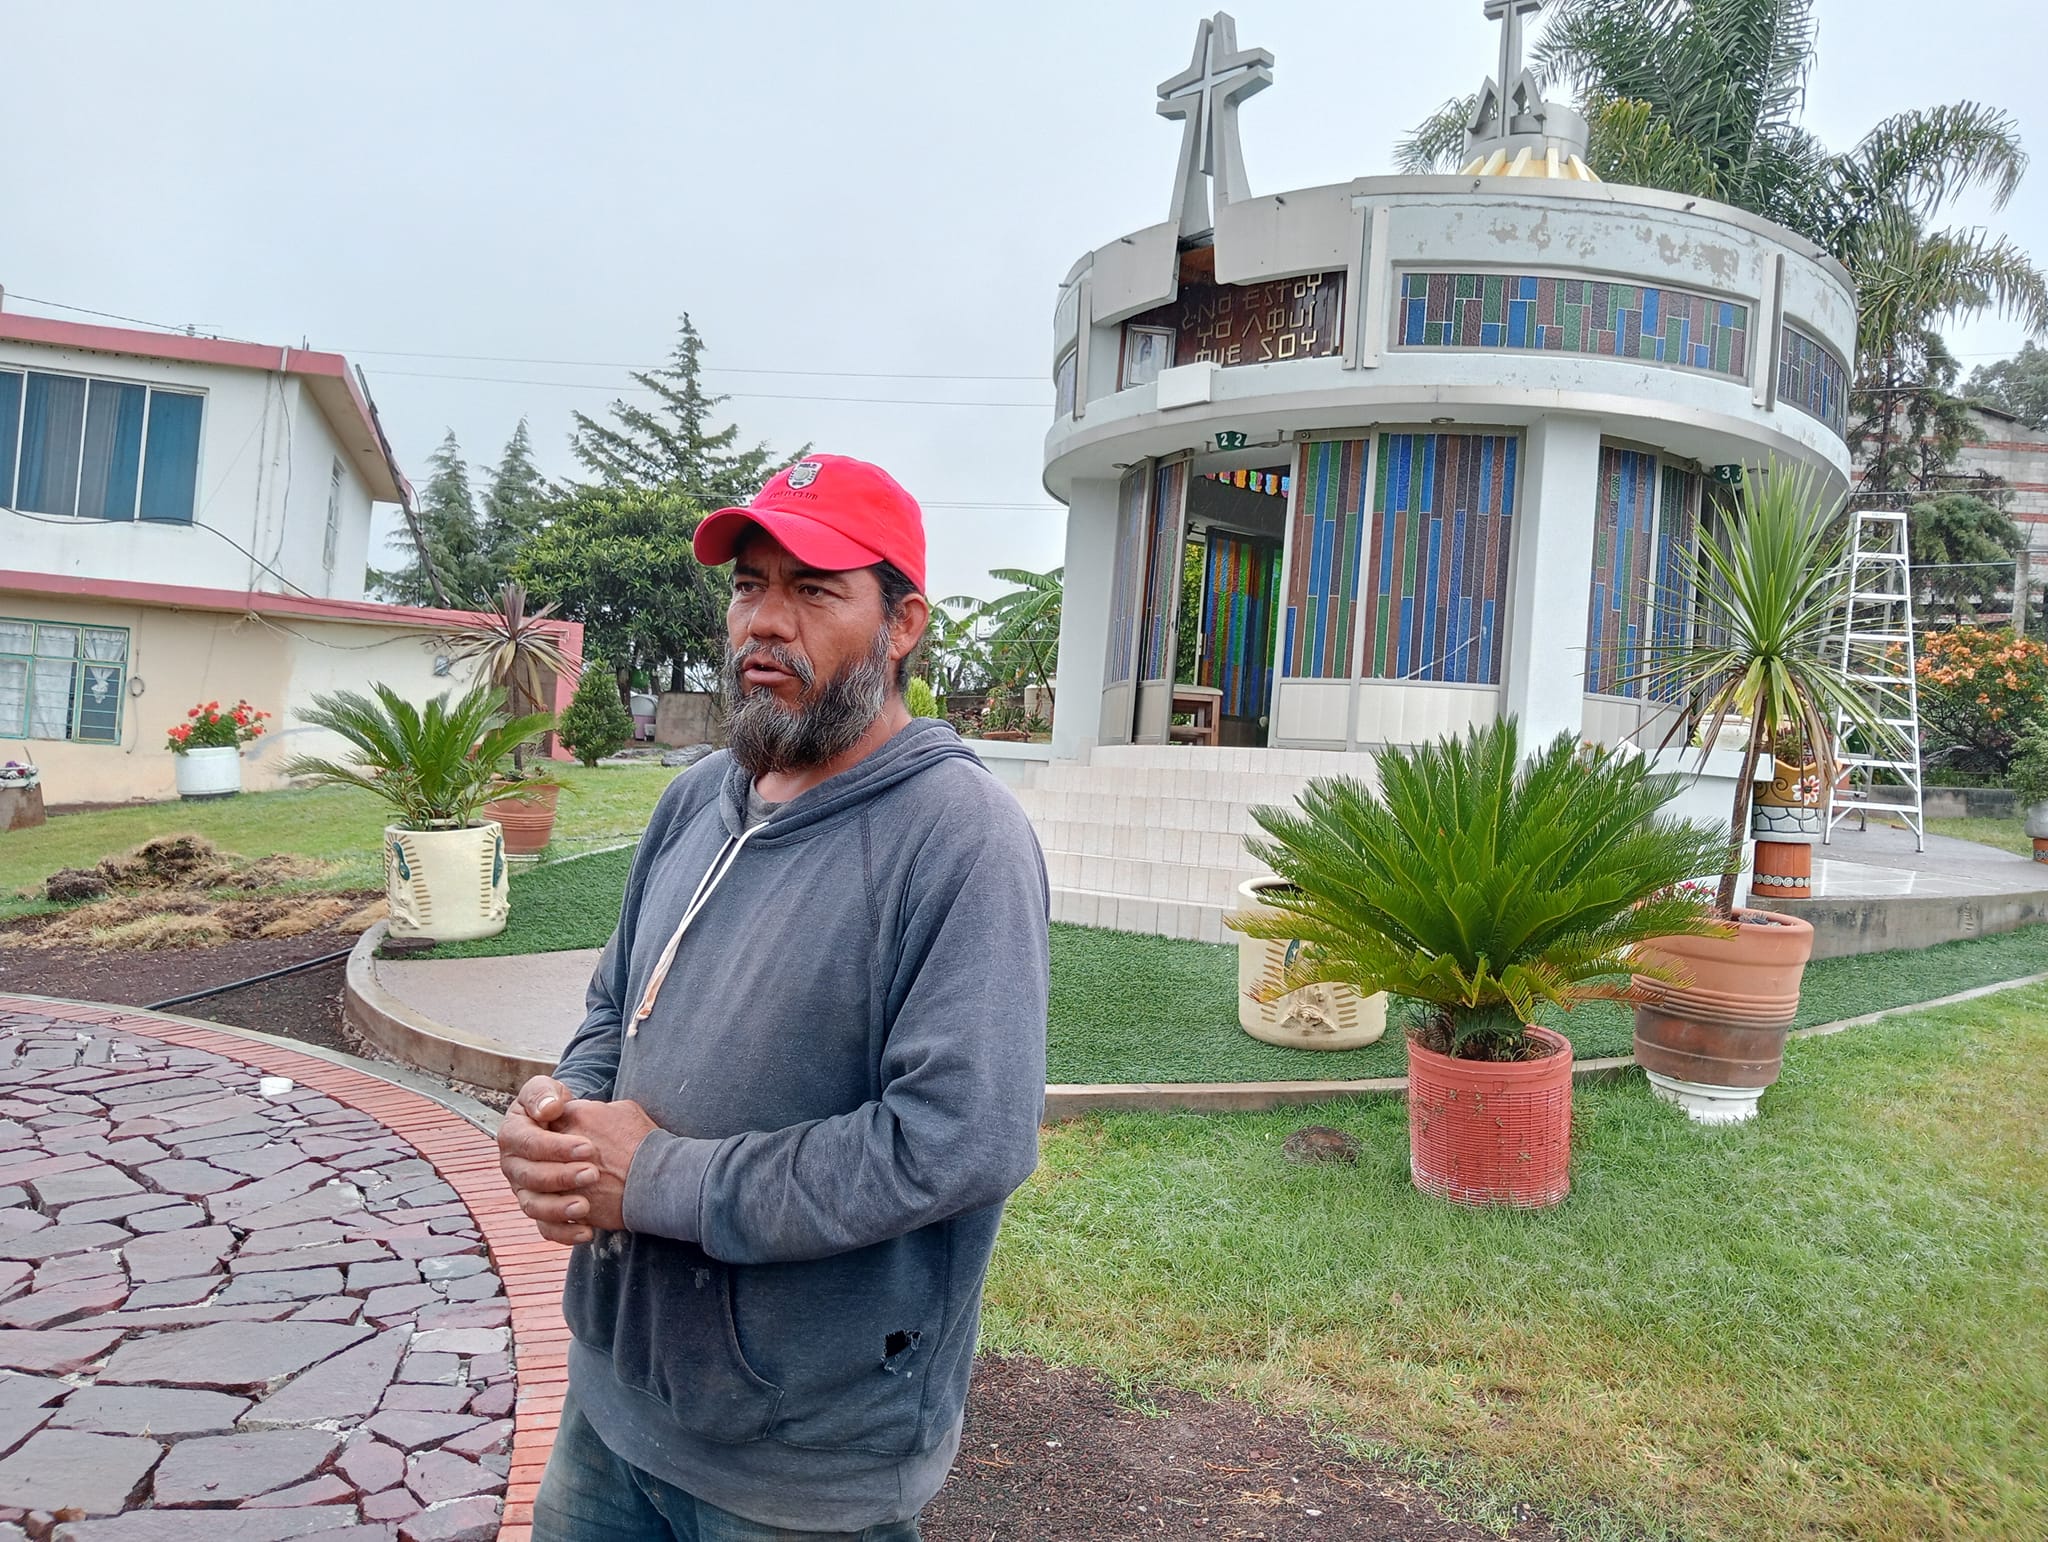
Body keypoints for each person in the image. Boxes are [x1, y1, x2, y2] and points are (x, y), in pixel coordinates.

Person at [497, 453, 1050, 1542]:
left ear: (901, 625)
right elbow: (615, 1007)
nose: (764, 621)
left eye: (813, 590)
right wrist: (562, 1119)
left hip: (804, 1461)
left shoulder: (959, 838)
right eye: (750, 584)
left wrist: (658, 1178)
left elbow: (958, 1142)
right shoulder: (698, 798)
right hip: (613, 1403)